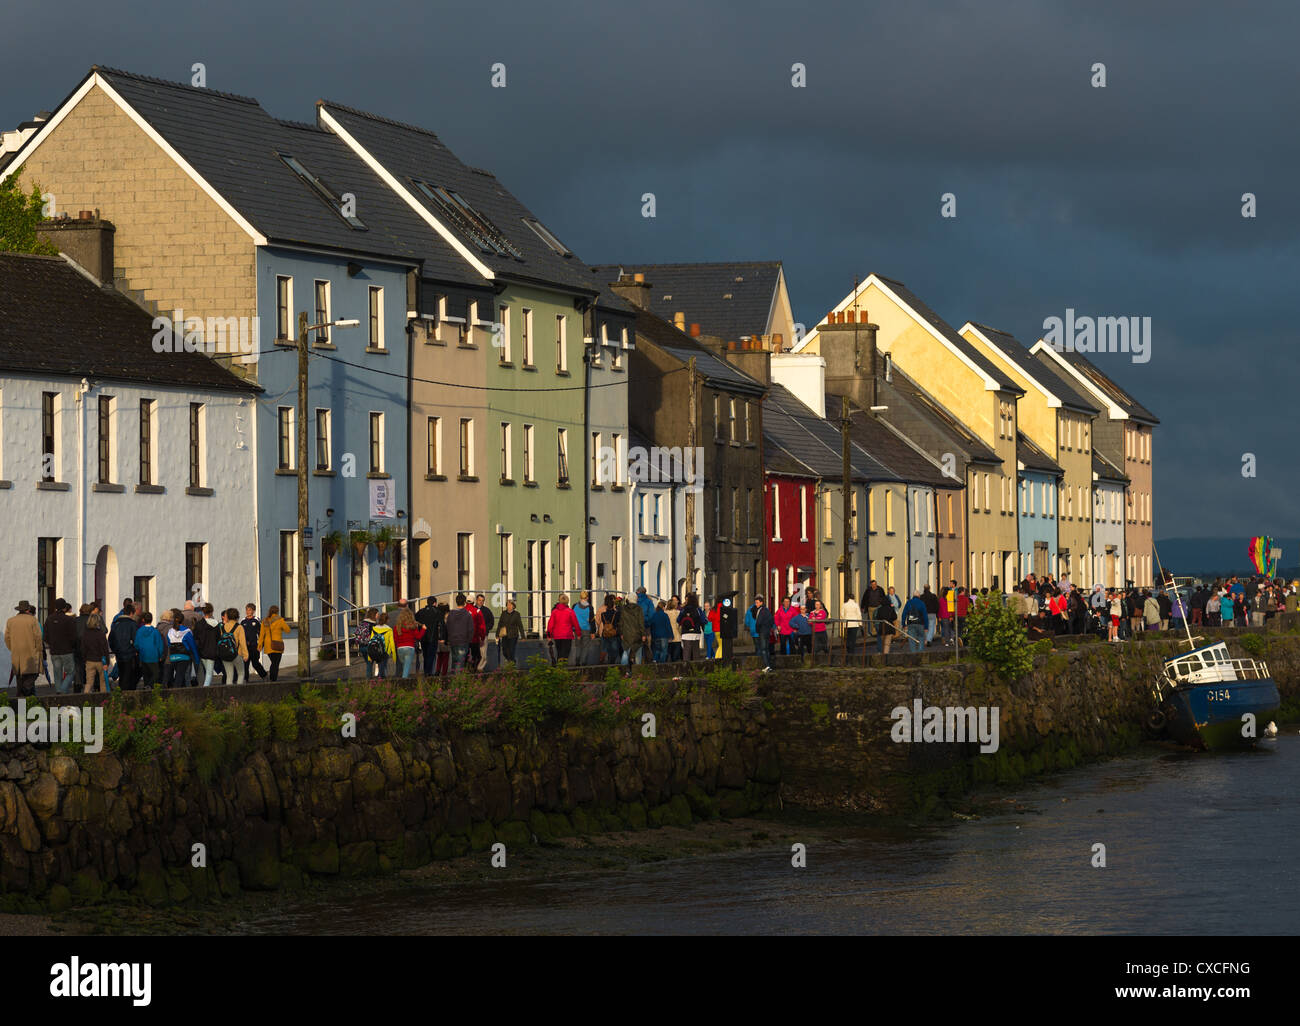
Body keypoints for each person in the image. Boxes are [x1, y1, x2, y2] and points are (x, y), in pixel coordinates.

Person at [5, 600, 44, 697]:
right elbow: (38, 637)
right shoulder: (32, 620)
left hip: (17, 653)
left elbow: (7, 638)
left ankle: (21, 698)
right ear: (28, 609)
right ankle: (25, 690)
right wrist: (39, 649)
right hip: (31, 652)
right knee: (33, 674)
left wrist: (12, 648)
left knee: (19, 677)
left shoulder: (10, 621)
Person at [43, 599, 78, 695]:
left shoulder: (49, 619)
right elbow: (74, 636)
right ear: (65, 608)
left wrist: (51, 643)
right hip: (67, 650)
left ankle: (59, 690)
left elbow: (45, 636)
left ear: (55, 607)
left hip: (54, 650)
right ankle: (63, 689)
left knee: (57, 672)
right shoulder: (69, 620)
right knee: (71, 672)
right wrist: (71, 645)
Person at [165, 608, 201, 686]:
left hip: (173, 656)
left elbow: (169, 643)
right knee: (181, 677)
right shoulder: (187, 631)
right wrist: (197, 659)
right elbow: (193, 646)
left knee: (178, 675)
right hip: (184, 656)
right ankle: (178, 693)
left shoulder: (170, 631)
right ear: (183, 620)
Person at [217, 608, 249, 685]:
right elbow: (242, 642)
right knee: (241, 673)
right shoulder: (239, 627)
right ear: (237, 616)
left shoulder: (223, 627)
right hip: (236, 653)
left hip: (225, 653)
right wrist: (246, 654)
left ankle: (229, 693)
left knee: (229, 675)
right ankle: (238, 691)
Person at [191, 603, 221, 686]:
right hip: (212, 651)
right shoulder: (216, 624)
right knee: (209, 672)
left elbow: (195, 637)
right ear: (212, 611)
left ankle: (205, 688)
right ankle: (205, 690)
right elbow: (218, 638)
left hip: (202, 651)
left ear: (203, 611)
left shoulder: (199, 624)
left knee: (207, 671)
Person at [134, 611, 165, 687]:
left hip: (143, 655)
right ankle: (150, 686)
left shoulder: (139, 631)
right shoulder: (155, 631)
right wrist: (160, 655)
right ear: (152, 619)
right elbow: (159, 644)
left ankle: (146, 688)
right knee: (156, 674)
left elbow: (136, 644)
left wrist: (138, 650)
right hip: (154, 655)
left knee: (146, 675)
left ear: (143, 620)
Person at [546, 594, 581, 663]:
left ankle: (559, 669)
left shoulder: (554, 612)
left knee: (559, 653)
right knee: (565, 654)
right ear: (567, 602)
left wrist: (549, 636)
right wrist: (578, 634)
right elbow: (576, 624)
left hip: (557, 635)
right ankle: (563, 668)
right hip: (567, 635)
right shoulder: (570, 611)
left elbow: (550, 625)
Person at [393, 605, 425, 678]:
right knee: (406, 669)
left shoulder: (397, 627)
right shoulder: (412, 626)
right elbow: (418, 637)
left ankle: (401, 684)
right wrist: (423, 629)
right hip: (409, 648)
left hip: (400, 648)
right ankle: (404, 685)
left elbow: (395, 639)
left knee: (404, 667)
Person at [445, 595, 475, 671]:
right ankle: (458, 680)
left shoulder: (451, 614)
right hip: (463, 641)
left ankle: (452, 679)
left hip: (453, 641)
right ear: (465, 602)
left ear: (456, 602)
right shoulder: (467, 614)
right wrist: (469, 640)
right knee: (460, 662)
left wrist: (448, 638)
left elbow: (447, 627)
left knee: (454, 661)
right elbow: (471, 629)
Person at [259, 606, 288, 681]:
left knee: (273, 662)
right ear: (277, 611)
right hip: (277, 644)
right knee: (275, 663)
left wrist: (259, 645)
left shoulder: (264, 621)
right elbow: (287, 630)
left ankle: (272, 678)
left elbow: (261, 634)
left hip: (268, 645)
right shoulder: (280, 620)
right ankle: (273, 679)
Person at [745, 595, 774, 671]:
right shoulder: (765, 610)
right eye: (756, 602)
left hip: (757, 631)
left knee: (760, 648)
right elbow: (771, 620)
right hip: (762, 631)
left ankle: (763, 665)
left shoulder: (751, 609)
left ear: (761, 602)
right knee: (764, 648)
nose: (756, 604)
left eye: (757, 602)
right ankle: (766, 665)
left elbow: (748, 621)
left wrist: (752, 627)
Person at [415, 598, 443, 676]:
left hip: (423, 637)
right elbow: (441, 624)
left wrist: (420, 627)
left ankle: (426, 671)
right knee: (431, 655)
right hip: (433, 637)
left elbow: (415, 619)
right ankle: (429, 672)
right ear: (435, 603)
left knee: (425, 655)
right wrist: (442, 637)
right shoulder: (437, 612)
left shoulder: (421, 611)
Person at [618, 593, 647, 665]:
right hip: (637, 634)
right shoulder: (639, 609)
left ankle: (623, 670)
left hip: (626, 633)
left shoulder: (623, 609)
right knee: (638, 652)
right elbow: (641, 622)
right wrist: (643, 634)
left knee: (626, 651)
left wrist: (621, 633)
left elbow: (621, 622)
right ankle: (637, 670)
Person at [241, 604, 267, 680]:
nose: (248, 612)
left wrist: (261, 645)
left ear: (253, 611)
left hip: (254, 646)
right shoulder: (243, 621)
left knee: (255, 663)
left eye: (249, 610)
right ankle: (246, 679)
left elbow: (261, 634)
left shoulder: (256, 620)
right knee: (245, 663)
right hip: (245, 646)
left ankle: (264, 675)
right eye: (247, 610)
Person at [571, 591, 595, 667]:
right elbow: (592, 620)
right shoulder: (590, 607)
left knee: (578, 646)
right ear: (587, 597)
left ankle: (577, 662)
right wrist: (593, 632)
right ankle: (584, 663)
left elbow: (572, 618)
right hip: (586, 629)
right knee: (585, 647)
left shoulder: (574, 606)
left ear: (580, 597)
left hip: (576, 629)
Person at [497, 599, 524, 665]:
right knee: (504, 651)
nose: (509, 606)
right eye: (508, 605)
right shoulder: (503, 613)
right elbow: (500, 624)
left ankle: (511, 663)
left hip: (513, 635)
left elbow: (520, 625)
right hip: (505, 634)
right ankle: (511, 660)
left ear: (513, 606)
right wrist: (497, 634)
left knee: (511, 650)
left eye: (510, 605)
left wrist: (523, 636)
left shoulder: (517, 614)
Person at [679, 593, 704, 662]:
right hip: (696, 633)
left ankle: (686, 670)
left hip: (685, 633)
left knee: (686, 653)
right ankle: (696, 669)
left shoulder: (683, 610)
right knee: (696, 653)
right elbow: (703, 620)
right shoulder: (698, 610)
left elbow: (678, 620)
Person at [596, 594, 621, 664]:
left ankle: (602, 661)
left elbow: (597, 621)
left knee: (604, 648)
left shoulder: (602, 611)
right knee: (614, 649)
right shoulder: (616, 612)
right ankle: (611, 662)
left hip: (603, 632)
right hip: (613, 633)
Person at [474, 594, 496, 670]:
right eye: (479, 600)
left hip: (484, 635)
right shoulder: (472, 609)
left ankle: (480, 668)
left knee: (483, 654)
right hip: (474, 636)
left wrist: (486, 628)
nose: (481, 602)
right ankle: (473, 668)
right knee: (474, 653)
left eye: (482, 601)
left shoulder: (487, 610)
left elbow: (491, 621)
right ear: (476, 600)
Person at [664, 596, 683, 662]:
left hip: (668, 636)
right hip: (677, 636)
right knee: (676, 657)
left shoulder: (665, 613)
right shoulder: (678, 612)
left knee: (668, 655)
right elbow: (680, 625)